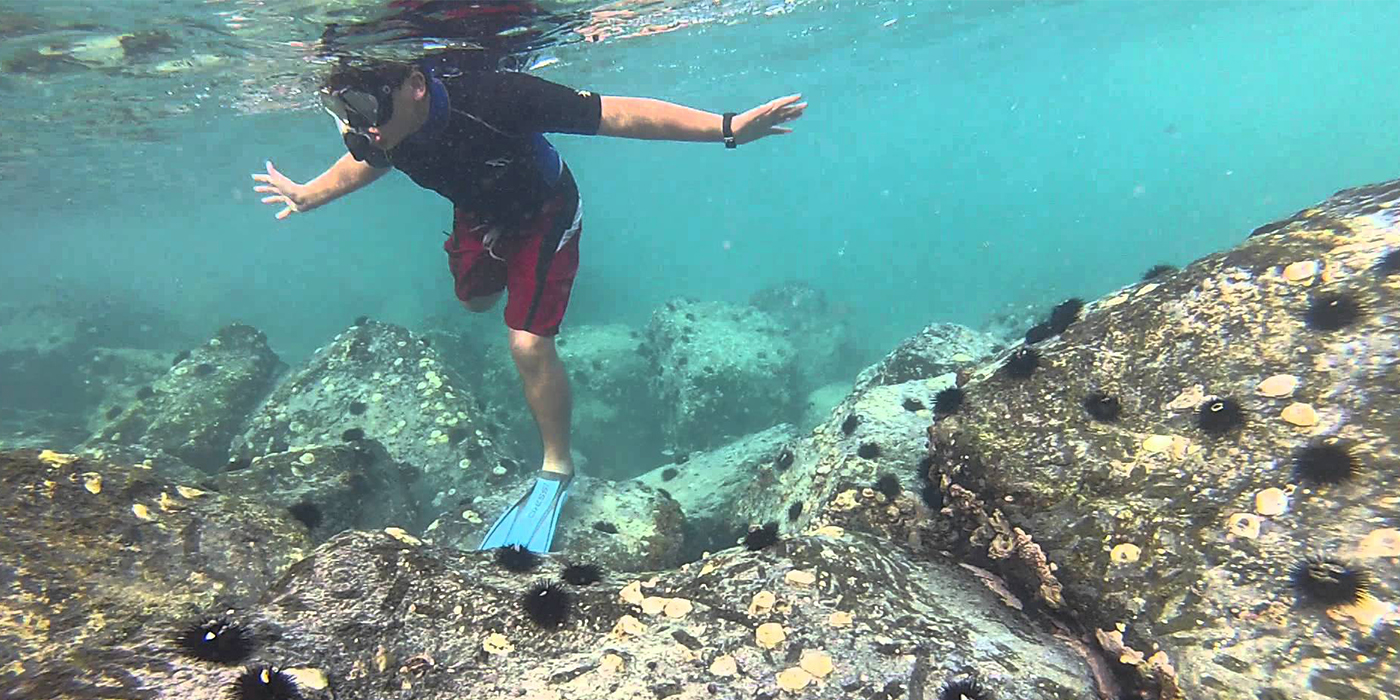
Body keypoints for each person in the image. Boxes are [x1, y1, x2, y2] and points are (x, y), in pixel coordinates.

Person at [251, 56, 806, 554]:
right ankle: (501, 265)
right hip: (479, 216)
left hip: (545, 211)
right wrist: (309, 194)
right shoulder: (383, 129)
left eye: (365, 105)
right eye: (339, 107)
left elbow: (615, 114)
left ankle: (556, 467)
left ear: (416, 85)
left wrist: (729, 128)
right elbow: (372, 160)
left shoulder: (499, 98)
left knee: (527, 343)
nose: (357, 124)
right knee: (473, 302)